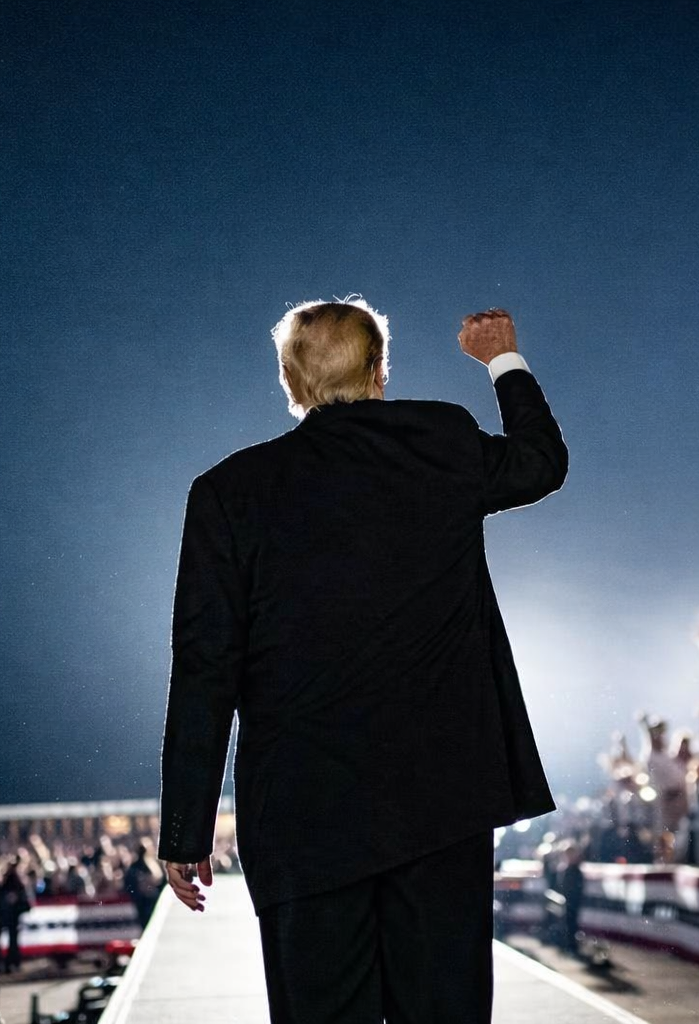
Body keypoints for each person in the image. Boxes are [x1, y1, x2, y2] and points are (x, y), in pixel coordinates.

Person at [157, 300, 567, 1023]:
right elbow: (540, 462)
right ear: (381, 371)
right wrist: (503, 358)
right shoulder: (438, 440)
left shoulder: (227, 494)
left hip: (302, 816)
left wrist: (186, 827)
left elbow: (204, 665)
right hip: (442, 802)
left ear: (290, 382)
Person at [0, 859, 30, 974]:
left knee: (9, 940)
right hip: (4, 917)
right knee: (2, 940)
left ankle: (6, 963)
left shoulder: (15, 886)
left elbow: (25, 903)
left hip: (9, 917)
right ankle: (1, 963)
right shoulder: (1, 887)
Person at [122, 839, 163, 928]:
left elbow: (158, 879)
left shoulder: (156, 864)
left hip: (155, 900)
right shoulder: (134, 867)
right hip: (141, 902)